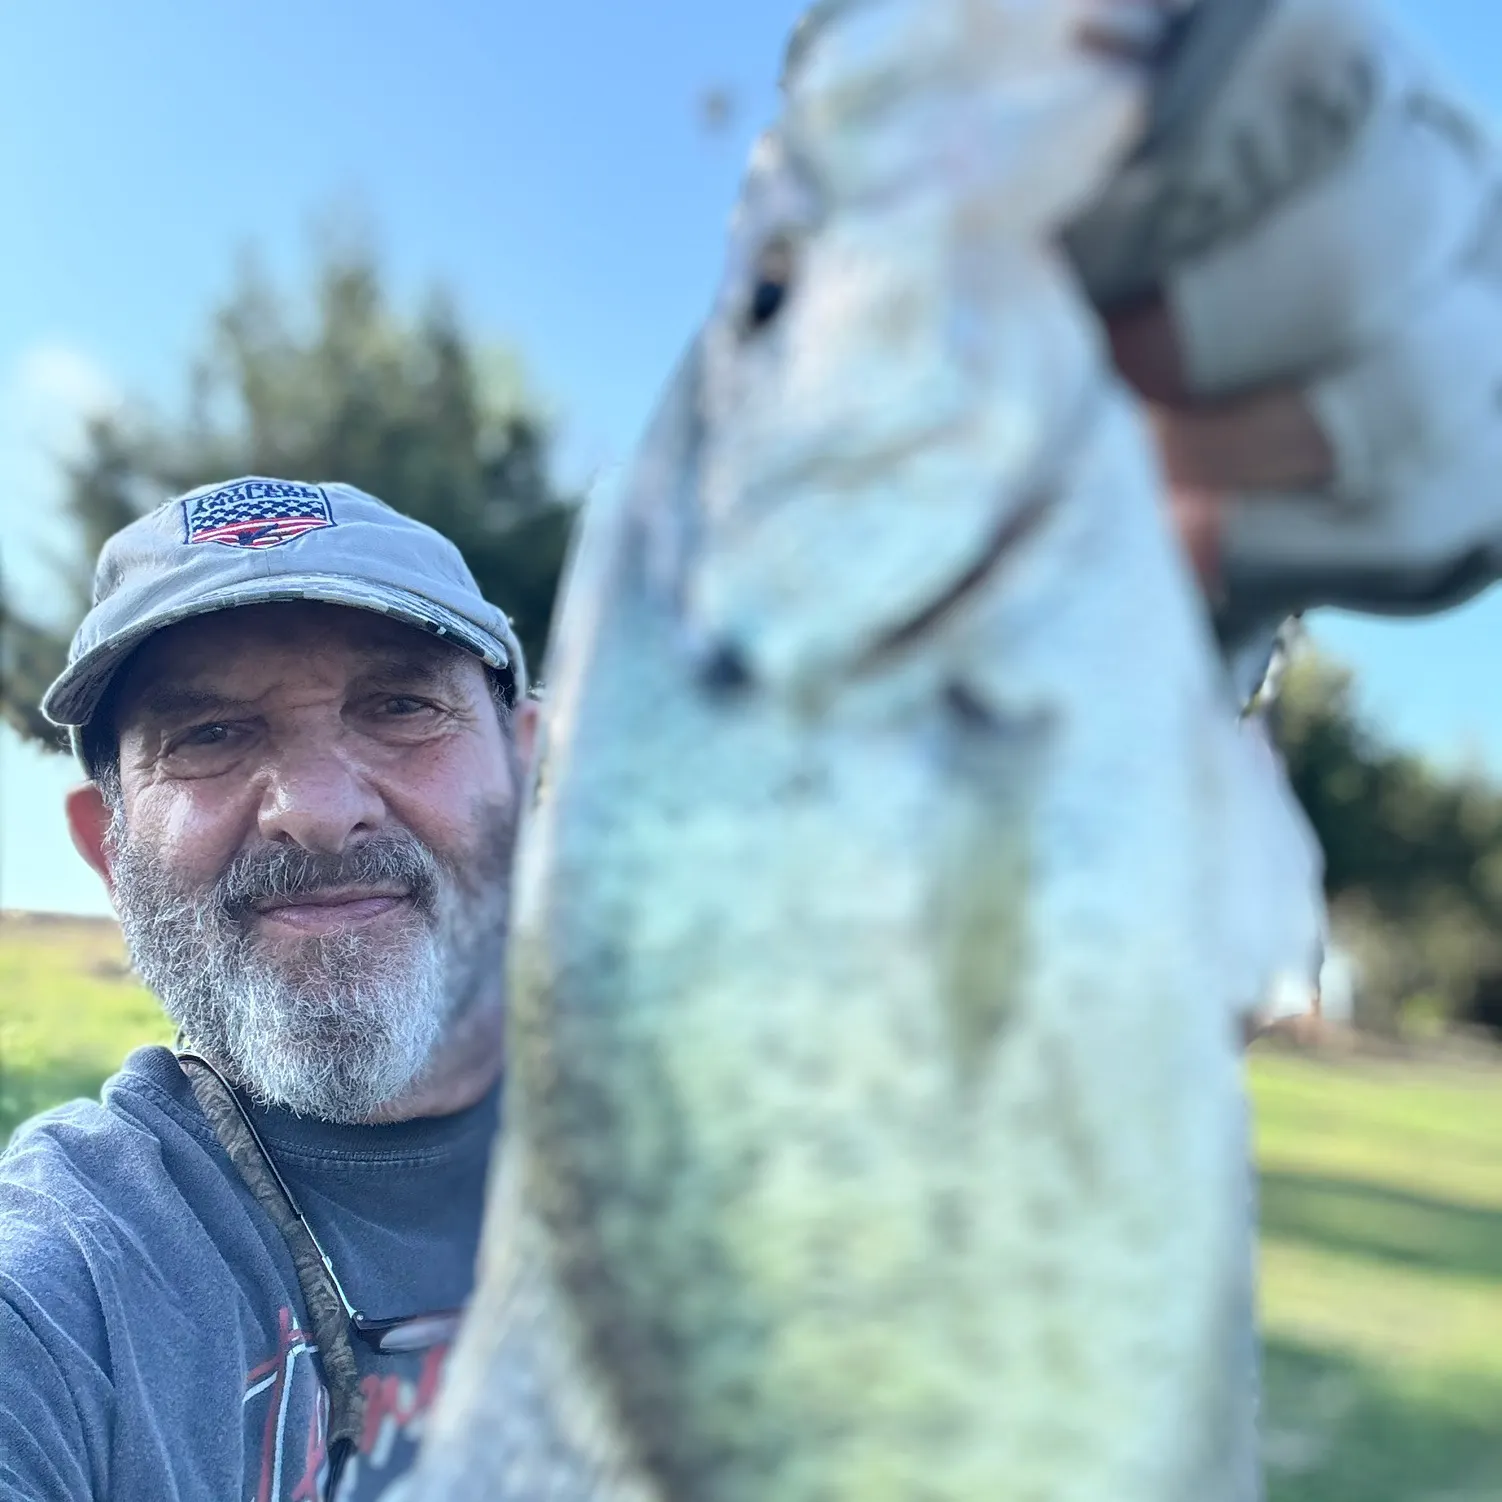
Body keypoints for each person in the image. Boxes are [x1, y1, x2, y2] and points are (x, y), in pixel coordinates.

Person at [4, 0, 1500, 1496]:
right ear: (104, 844)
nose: (319, 805)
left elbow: (1064, 785)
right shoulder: (61, 1289)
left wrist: (1214, 510)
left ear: (534, 761)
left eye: (399, 704)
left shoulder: (804, 968)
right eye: (207, 736)